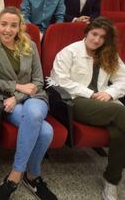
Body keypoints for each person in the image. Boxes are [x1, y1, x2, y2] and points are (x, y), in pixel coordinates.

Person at [0, 7, 57, 200]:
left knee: (33, 114)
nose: (8, 29)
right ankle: (32, 176)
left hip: (33, 98)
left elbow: (39, 81)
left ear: (19, 27)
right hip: (6, 100)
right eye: (4, 24)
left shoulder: (29, 45)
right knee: (46, 131)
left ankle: (15, 175)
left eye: (13, 25)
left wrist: (17, 96)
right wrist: (17, 86)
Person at [49, 17, 125, 200]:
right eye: (94, 34)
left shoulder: (110, 54)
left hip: (105, 103)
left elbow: (123, 79)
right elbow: (61, 81)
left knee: (119, 132)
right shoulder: (70, 52)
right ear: (87, 33)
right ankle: (113, 181)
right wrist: (90, 94)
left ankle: (112, 181)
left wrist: (110, 93)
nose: (97, 40)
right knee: (120, 112)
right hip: (76, 102)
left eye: (102, 37)